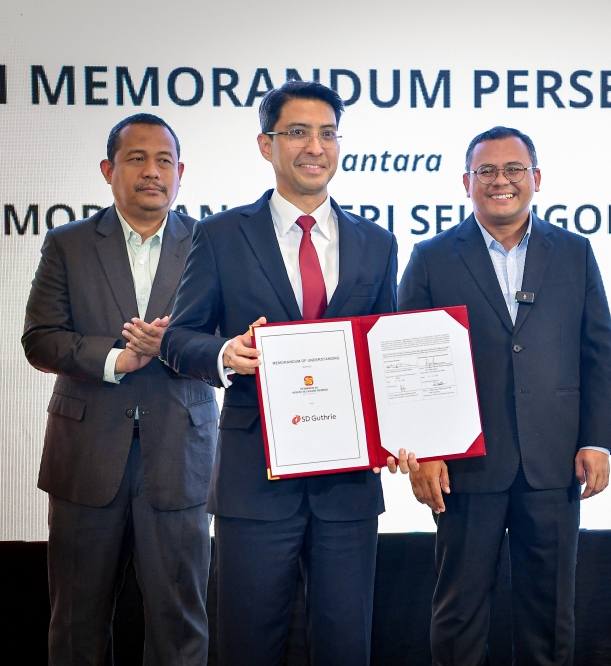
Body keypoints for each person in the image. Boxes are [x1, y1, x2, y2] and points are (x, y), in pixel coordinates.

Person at [161, 81, 415, 666]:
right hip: (256, 481)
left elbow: (388, 352)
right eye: (297, 132)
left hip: (348, 484)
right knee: (248, 644)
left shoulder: (376, 243)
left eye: (327, 133)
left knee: (346, 645)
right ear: (265, 144)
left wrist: (406, 431)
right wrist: (225, 352)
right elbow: (178, 339)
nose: (314, 146)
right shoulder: (221, 235)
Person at [400, 126, 611, 665]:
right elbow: (406, 361)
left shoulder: (574, 252)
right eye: (487, 171)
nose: (501, 181)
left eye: (514, 170)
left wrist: (597, 439)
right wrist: (422, 451)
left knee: (549, 615)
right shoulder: (431, 257)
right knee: (459, 612)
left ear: (536, 179)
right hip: (465, 464)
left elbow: (597, 349)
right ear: (466, 183)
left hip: (553, 462)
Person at [22, 114, 218, 664]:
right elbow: (40, 338)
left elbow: (228, 343)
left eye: (163, 161)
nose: (151, 172)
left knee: (181, 624)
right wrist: (115, 358)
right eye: (137, 159)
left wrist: (175, 347)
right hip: (85, 458)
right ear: (109, 170)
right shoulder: (68, 244)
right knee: (76, 623)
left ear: (180, 173)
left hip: (182, 455)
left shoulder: (212, 243)